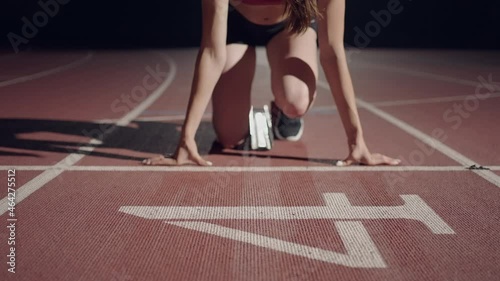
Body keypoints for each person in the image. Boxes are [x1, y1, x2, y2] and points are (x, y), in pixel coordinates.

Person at [143, 0, 401, 166]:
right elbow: (211, 52)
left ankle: (283, 115)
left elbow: (332, 53)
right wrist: (187, 138)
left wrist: (356, 141)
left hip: (291, 27)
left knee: (296, 100)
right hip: (235, 28)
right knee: (229, 136)